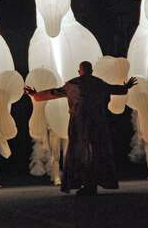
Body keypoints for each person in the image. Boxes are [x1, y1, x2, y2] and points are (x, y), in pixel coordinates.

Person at [24, 61, 137, 196]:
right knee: (95, 151)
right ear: (91, 71)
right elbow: (114, 89)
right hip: (96, 123)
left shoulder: (73, 84)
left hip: (79, 123)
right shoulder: (98, 83)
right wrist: (126, 87)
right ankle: (91, 184)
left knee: (80, 152)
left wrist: (35, 95)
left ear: (79, 71)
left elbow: (54, 93)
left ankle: (86, 183)